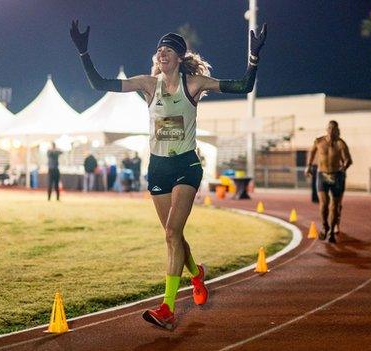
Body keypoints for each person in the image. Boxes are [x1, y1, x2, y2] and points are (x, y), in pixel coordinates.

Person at [71, 20, 267, 330]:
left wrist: (253, 58)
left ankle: (168, 308)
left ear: (179, 57)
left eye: (168, 50)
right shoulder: (148, 85)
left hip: (186, 166)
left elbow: (244, 86)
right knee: (172, 235)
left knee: (173, 234)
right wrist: (83, 51)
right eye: (159, 49)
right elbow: (99, 83)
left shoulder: (195, 84)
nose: (161, 53)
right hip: (158, 167)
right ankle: (196, 275)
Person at [305, 120, 352, 243]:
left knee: (334, 206)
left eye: (334, 129)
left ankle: (331, 230)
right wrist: (308, 166)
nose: (331, 131)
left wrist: (344, 167)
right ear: (327, 129)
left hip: (336, 175)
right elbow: (312, 152)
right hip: (322, 175)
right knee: (324, 204)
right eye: (330, 128)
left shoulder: (340, 144)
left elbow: (348, 159)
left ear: (337, 130)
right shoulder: (319, 141)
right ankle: (324, 226)